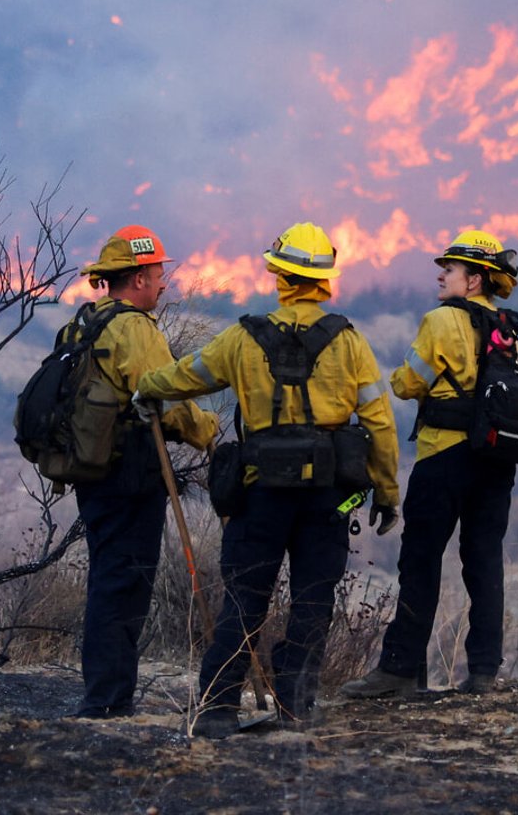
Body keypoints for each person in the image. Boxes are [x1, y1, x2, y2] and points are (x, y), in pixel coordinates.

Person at [136, 221, 400, 737]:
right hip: (328, 500)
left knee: (243, 600)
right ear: (324, 280)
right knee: (313, 602)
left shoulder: (242, 337)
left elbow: (186, 374)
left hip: (259, 495)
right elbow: (380, 423)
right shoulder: (349, 343)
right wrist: (387, 493)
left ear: (278, 274)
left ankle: (215, 711)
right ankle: (296, 708)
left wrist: (147, 388)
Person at [342, 228, 518, 699]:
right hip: (497, 461)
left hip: (445, 456)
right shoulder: (510, 329)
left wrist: (406, 374)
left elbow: (407, 383)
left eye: (451, 268)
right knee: (484, 561)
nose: (442, 275)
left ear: (475, 279)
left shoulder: (441, 321)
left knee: (420, 560)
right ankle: (483, 672)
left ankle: (399, 670)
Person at [70, 224, 217, 719]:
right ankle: (108, 703)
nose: (162, 282)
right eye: (157, 273)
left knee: (108, 577)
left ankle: (107, 694)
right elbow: (166, 398)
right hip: (130, 473)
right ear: (135, 278)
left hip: (94, 473)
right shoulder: (134, 329)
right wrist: (210, 432)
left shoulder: (85, 322)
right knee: (125, 583)